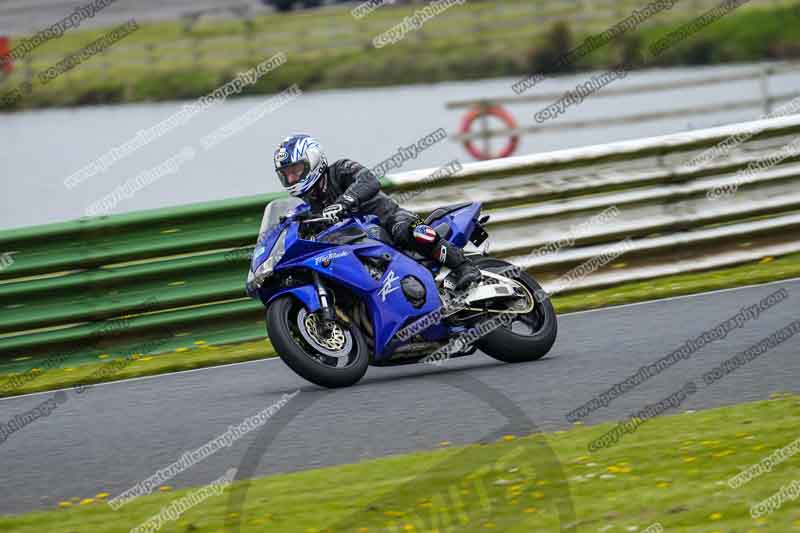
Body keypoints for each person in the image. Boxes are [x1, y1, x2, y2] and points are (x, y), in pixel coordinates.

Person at [273, 133, 481, 291]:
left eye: (296, 171)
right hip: (355, 245)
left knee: (407, 229)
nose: (291, 180)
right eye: (286, 175)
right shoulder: (309, 206)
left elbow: (368, 180)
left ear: (313, 160)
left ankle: (464, 266)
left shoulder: (340, 170)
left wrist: (343, 202)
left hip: (388, 220)